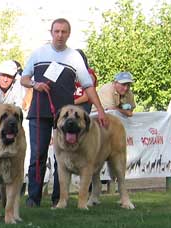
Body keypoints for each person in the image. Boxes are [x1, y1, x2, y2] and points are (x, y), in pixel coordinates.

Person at [20, 18, 107, 208]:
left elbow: (88, 86)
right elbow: (24, 78)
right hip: (40, 112)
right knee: (38, 155)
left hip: (66, 118)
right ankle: (33, 198)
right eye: (57, 31)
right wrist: (36, 84)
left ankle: (60, 199)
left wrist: (100, 110)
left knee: (63, 158)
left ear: (69, 34)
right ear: (51, 32)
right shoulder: (38, 53)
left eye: (64, 32)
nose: (60, 35)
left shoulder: (74, 56)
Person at [73, 49, 98, 113]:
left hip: (83, 106)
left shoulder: (89, 74)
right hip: (74, 105)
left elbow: (86, 97)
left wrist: (70, 103)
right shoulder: (72, 73)